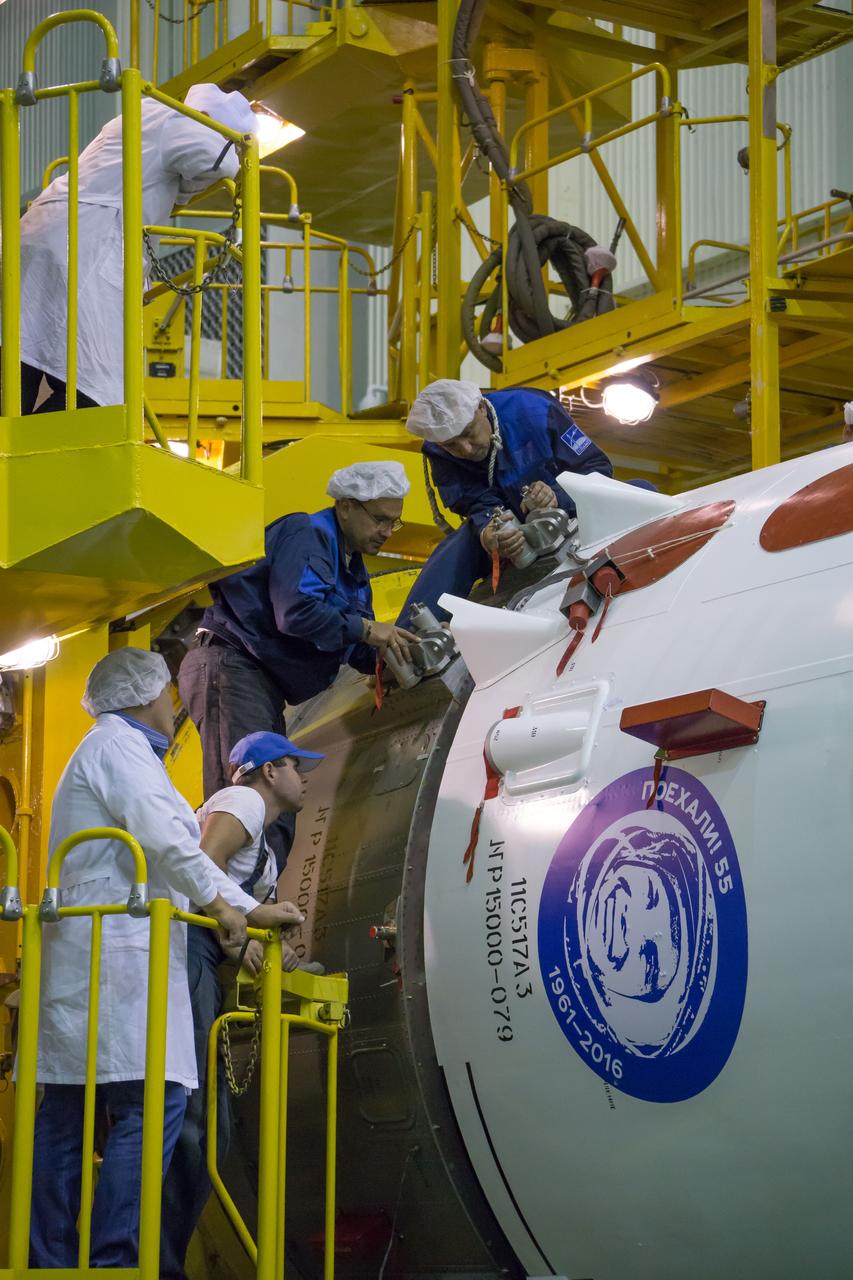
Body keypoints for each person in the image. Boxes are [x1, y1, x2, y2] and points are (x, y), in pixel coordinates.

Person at [29, 648, 301, 1270]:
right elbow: (166, 837)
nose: (172, 706)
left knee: (71, 1108)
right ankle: (117, 1261)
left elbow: (171, 845)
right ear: (143, 697)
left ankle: (50, 1257)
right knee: (153, 1104)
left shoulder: (114, 751)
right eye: (166, 695)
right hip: (118, 954)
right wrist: (238, 908)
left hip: (105, 954)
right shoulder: (119, 748)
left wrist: (231, 905)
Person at [178, 460, 417, 865]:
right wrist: (367, 631)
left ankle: (251, 911)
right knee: (247, 801)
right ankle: (222, 917)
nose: (386, 532)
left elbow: (343, 643)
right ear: (345, 507)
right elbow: (297, 613)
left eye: (394, 523)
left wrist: (386, 665)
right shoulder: (309, 535)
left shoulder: (351, 569)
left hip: (259, 684)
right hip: (233, 667)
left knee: (276, 804)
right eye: (379, 519)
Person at [160, 730, 321, 1280]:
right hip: (186, 949)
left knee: (208, 1126)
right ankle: (154, 1264)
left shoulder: (265, 849)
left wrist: (261, 945)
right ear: (270, 770)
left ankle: (160, 1259)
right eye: (299, 768)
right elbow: (201, 864)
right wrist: (240, 927)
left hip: (201, 956)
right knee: (193, 1116)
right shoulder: (246, 801)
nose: (306, 779)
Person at [10, 83, 257, 413]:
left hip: (45, 231)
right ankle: (33, 456)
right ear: (209, 119)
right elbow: (218, 163)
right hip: (84, 246)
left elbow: (171, 182)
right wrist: (244, 155)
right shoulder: (177, 119)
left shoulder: (142, 117)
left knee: (20, 358)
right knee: (96, 394)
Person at [397, 378, 613, 624]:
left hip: (573, 515)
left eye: (468, 433)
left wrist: (557, 495)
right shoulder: (437, 453)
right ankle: (410, 637)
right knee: (458, 546)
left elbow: (597, 467)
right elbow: (475, 502)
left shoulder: (535, 411)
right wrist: (488, 532)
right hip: (510, 530)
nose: (466, 449)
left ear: (480, 407)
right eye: (451, 445)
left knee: (642, 489)